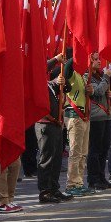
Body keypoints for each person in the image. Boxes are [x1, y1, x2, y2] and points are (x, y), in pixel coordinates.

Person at [37, 56, 74, 203]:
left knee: (57, 157)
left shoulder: (51, 85)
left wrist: (60, 83)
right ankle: (45, 191)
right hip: (45, 123)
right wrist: (56, 59)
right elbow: (41, 70)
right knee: (46, 158)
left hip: (56, 124)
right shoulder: (38, 80)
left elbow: (65, 90)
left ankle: (54, 188)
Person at [63, 51, 95, 197]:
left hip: (85, 116)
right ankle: (71, 184)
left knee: (83, 153)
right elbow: (67, 68)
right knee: (75, 152)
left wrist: (91, 90)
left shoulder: (82, 76)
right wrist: (79, 51)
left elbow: (85, 94)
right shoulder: (71, 74)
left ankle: (79, 182)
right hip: (74, 116)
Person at [86, 53, 111, 191]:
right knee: (95, 150)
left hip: (106, 116)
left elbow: (103, 92)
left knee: (104, 149)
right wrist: (107, 78)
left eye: (99, 59)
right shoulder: (87, 76)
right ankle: (93, 179)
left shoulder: (100, 76)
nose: (99, 61)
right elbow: (96, 91)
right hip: (96, 117)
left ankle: (102, 177)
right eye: (95, 59)